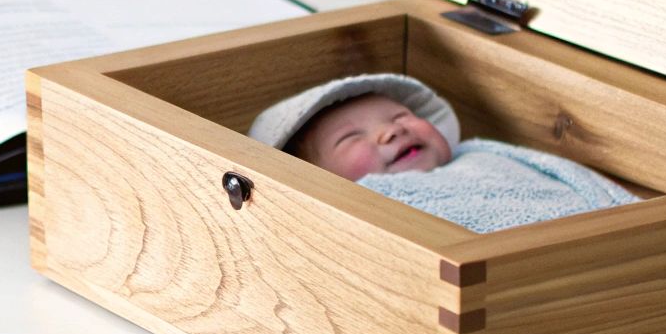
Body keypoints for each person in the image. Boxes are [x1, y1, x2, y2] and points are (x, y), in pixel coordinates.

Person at [248, 73, 637, 233]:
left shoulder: (482, 155)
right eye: (351, 137)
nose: (392, 131)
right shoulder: (366, 214)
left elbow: (566, 174)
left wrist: (628, 214)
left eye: (401, 116)